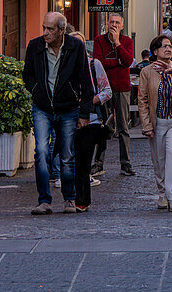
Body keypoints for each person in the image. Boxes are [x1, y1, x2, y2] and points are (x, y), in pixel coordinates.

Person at [22, 11, 92, 215]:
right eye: (44, 27)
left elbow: (85, 79)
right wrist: (37, 91)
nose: (45, 32)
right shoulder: (35, 46)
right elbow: (27, 75)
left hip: (68, 108)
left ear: (62, 30)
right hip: (42, 107)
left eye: (50, 29)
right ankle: (44, 200)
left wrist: (84, 113)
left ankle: (69, 199)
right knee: (41, 152)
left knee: (67, 155)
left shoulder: (75, 46)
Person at [138, 34, 172, 212]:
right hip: (157, 120)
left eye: (170, 46)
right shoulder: (147, 72)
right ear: (155, 51)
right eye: (164, 46)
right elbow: (142, 100)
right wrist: (147, 125)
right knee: (159, 160)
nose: (168, 49)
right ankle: (162, 193)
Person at [70, 33, 112, 212]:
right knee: (69, 160)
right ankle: (69, 198)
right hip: (68, 119)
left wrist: (90, 100)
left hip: (92, 120)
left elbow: (107, 91)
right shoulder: (65, 65)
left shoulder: (94, 65)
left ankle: (81, 200)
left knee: (83, 161)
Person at [92, 13, 136, 176]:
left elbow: (127, 61)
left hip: (122, 88)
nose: (114, 25)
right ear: (107, 23)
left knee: (123, 126)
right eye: (112, 22)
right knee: (102, 126)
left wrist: (117, 43)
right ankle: (98, 163)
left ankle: (125, 163)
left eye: (117, 23)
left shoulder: (127, 41)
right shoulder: (99, 40)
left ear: (122, 26)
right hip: (104, 89)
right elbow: (98, 62)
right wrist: (116, 62)